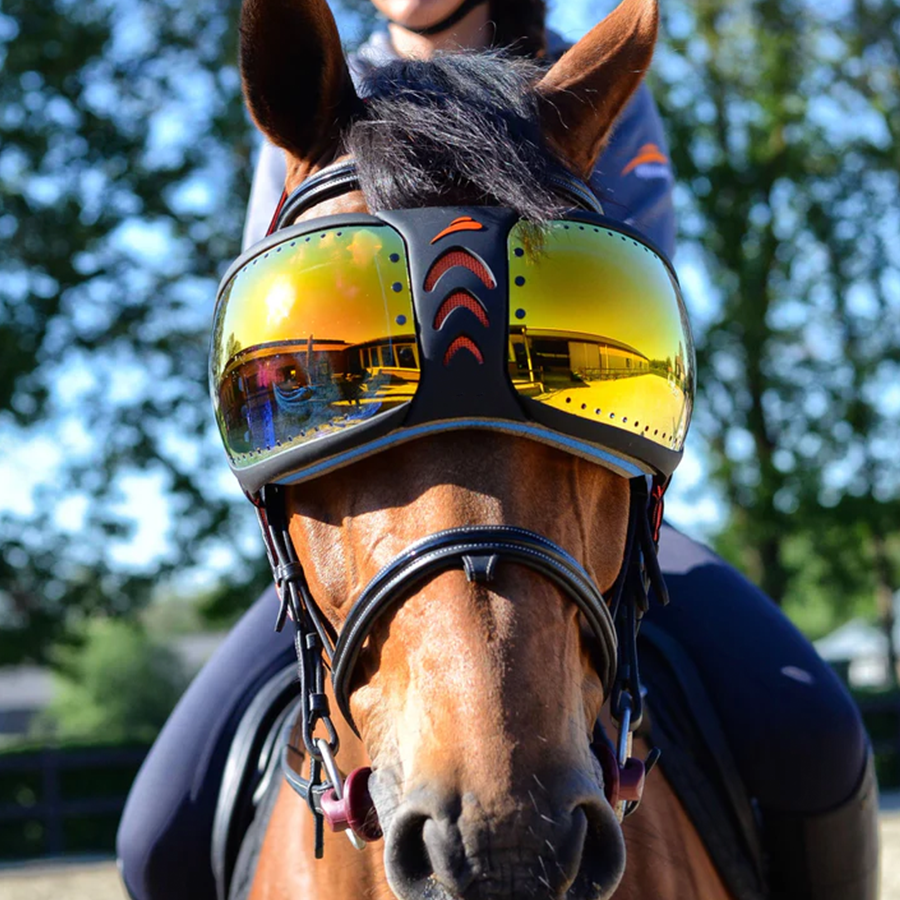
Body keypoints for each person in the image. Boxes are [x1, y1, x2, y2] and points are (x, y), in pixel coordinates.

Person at [117, 2, 877, 899]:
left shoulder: (589, 88)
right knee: (156, 839)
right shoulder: (316, 101)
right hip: (363, 528)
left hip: (575, 505)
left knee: (816, 733)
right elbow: (273, 335)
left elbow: (635, 298)